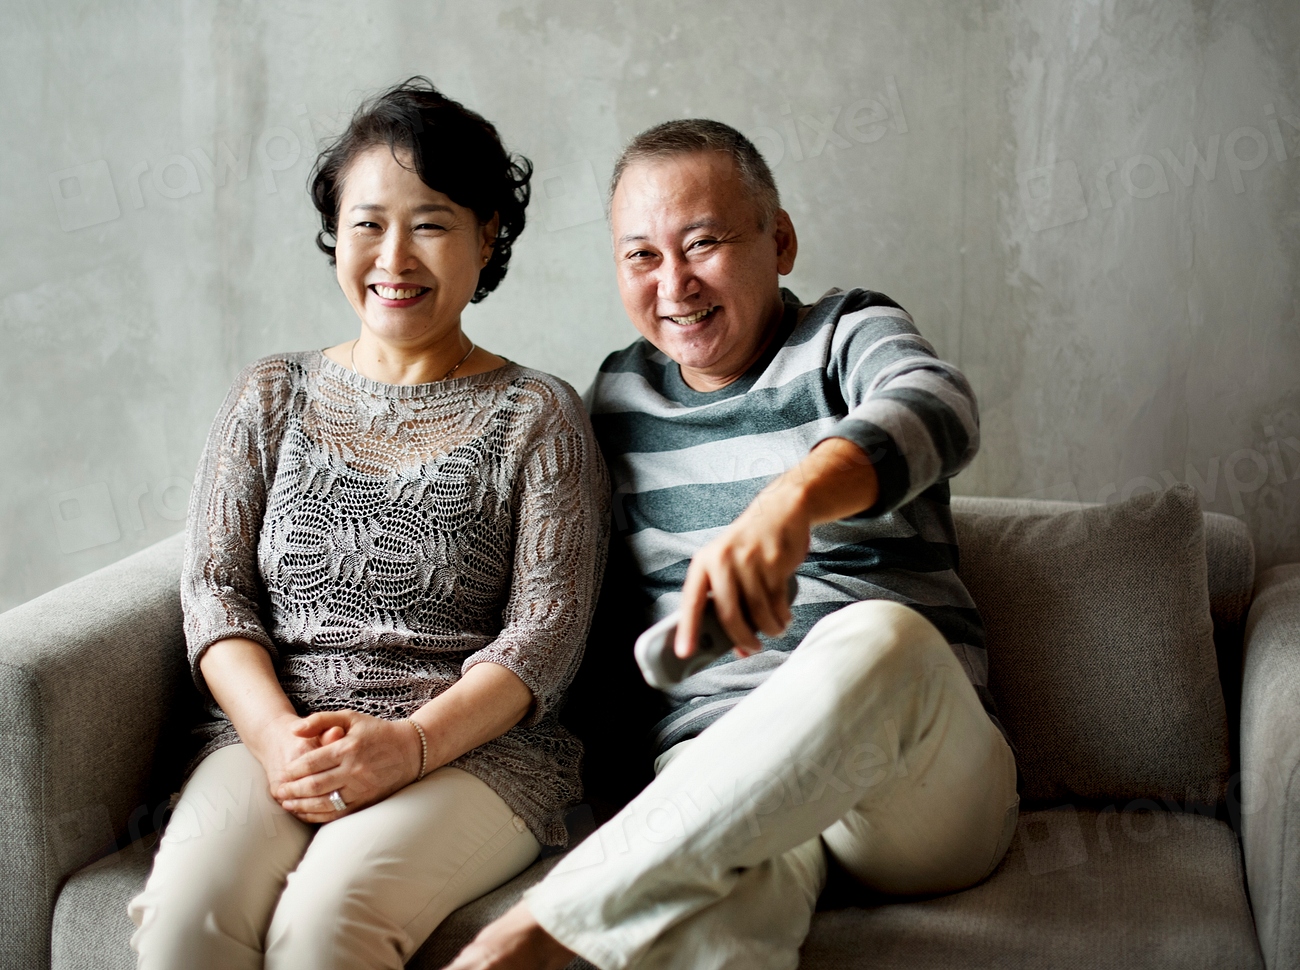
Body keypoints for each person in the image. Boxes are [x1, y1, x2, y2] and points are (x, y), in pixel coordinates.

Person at [448, 120, 1019, 970]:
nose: (674, 284)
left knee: (883, 638)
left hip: (908, 786)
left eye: (703, 242)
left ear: (778, 240)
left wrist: (791, 503)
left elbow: (939, 403)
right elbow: (553, 591)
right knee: (719, 938)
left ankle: (533, 934)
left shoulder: (847, 334)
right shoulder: (616, 399)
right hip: (725, 777)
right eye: (641, 256)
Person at [127, 78, 609, 970]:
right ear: (335, 233)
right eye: (367, 222)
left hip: (475, 752)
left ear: (487, 235)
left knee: (324, 928)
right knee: (183, 923)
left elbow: (546, 638)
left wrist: (410, 745)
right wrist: (274, 737)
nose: (395, 255)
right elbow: (215, 592)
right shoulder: (272, 394)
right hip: (278, 733)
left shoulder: (538, 413)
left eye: (430, 223)